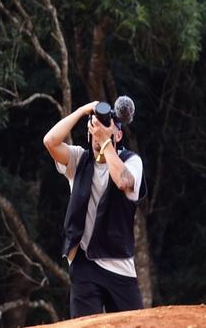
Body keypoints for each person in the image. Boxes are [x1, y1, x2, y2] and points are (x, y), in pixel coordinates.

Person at [43, 97, 146, 317]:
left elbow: (123, 182)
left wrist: (106, 143)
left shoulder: (131, 162)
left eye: (105, 128)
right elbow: (50, 141)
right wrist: (82, 110)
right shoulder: (79, 159)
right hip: (84, 263)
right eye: (95, 127)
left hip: (119, 264)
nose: (98, 132)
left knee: (136, 321)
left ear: (118, 135)